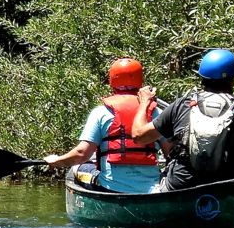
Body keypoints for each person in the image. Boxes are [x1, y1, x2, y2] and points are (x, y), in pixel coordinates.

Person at [131, 48, 234, 191]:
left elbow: (139, 136)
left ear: (202, 77)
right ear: (233, 80)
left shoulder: (182, 105)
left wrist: (145, 102)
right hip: (225, 188)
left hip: (181, 185)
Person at [43, 58, 165, 194]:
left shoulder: (101, 113)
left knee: (76, 168)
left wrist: (56, 161)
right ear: (140, 81)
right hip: (153, 190)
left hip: (111, 188)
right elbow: (171, 152)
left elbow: (81, 154)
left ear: (112, 81)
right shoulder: (158, 113)